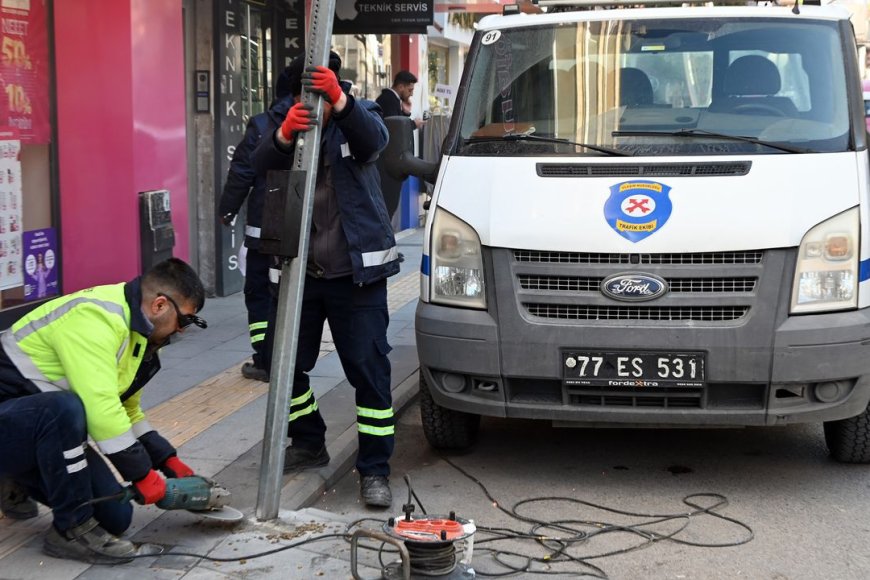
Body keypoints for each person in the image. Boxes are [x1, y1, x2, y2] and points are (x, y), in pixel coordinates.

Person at [252, 52, 400, 508]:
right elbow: (258, 163)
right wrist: (282, 135)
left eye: (321, 87)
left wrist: (341, 101)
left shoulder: (358, 114)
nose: (311, 97)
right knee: (282, 364)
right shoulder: (283, 121)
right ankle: (309, 440)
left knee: (369, 375)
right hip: (300, 275)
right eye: (306, 89)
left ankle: (374, 470)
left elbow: (374, 143)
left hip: (356, 278)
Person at [0, 257, 207, 563]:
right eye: (185, 320)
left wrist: (167, 459)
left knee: (114, 516)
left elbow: (127, 408)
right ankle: (70, 531)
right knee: (63, 408)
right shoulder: (95, 317)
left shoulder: (138, 337)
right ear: (160, 305)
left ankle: (17, 475)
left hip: (32, 424)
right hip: (16, 415)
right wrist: (142, 476)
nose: (183, 331)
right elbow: (102, 409)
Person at [218, 69, 298, 383]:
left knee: (260, 293)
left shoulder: (263, 124)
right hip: (301, 225)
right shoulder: (319, 123)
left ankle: (265, 359)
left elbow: (242, 172)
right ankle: (287, 358)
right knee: (285, 293)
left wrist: (227, 210)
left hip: (264, 226)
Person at [376, 70, 423, 235]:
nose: (410, 94)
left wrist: (407, 113)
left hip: (390, 163)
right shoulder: (387, 100)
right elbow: (393, 129)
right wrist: (412, 125)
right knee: (387, 204)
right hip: (387, 163)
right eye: (409, 90)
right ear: (401, 86)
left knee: (390, 205)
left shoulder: (393, 101)